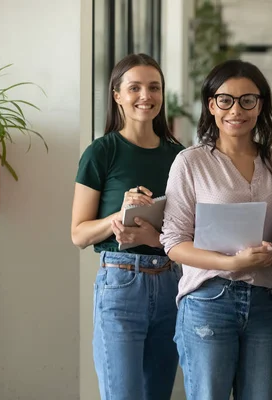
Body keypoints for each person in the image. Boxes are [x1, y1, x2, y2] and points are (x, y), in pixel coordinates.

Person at [160, 59, 272, 400]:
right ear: (211, 105)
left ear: (260, 104)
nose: (237, 110)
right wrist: (231, 263)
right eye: (226, 100)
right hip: (208, 299)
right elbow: (174, 242)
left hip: (265, 301)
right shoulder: (190, 162)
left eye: (248, 100)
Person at [71, 53, 184, 400]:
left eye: (153, 87)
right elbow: (78, 234)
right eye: (134, 88)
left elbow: (188, 232)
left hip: (170, 284)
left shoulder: (179, 156)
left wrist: (158, 235)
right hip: (120, 284)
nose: (145, 96)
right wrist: (115, 217)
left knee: (157, 394)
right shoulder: (101, 152)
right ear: (117, 95)